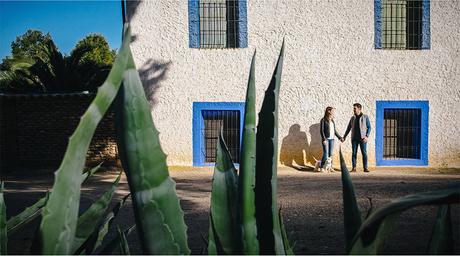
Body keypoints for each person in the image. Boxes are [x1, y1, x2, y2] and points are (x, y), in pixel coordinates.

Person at [343, 103, 371, 172]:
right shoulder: (353, 118)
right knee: (354, 153)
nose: (353, 110)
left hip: (362, 138)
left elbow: (369, 127)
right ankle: (354, 168)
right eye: (353, 108)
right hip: (354, 139)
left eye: (355, 108)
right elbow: (348, 128)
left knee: (364, 153)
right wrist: (344, 137)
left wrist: (366, 136)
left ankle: (365, 168)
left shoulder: (365, 117)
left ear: (359, 109)